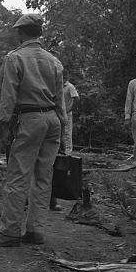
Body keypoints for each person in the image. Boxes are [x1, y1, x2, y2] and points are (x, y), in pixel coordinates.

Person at [0, 13, 65, 248]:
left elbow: (8, 93)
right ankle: (35, 230)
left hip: (30, 119)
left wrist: (2, 123)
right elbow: (60, 100)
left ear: (20, 32)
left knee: (18, 175)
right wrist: (62, 126)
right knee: (43, 177)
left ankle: (9, 231)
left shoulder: (15, 57)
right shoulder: (54, 61)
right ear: (39, 33)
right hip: (53, 120)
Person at [49, 71, 80, 212]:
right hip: (54, 116)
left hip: (62, 114)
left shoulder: (69, 86)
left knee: (66, 135)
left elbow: (76, 99)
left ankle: (67, 154)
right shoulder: (55, 85)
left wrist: (68, 110)